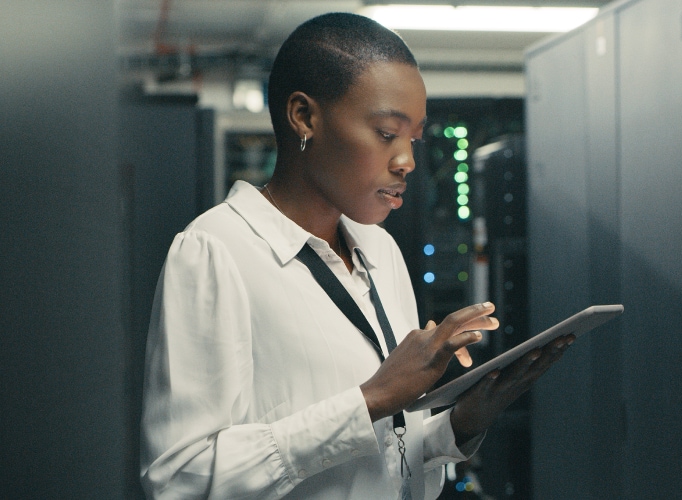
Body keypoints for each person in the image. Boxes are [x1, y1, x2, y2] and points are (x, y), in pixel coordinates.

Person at [139, 12, 573, 500]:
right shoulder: (216, 251)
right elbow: (179, 480)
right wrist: (371, 400)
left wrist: (461, 423)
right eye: (387, 133)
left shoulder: (379, 249)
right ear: (304, 117)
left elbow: (388, 459)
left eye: (413, 138)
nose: (407, 160)